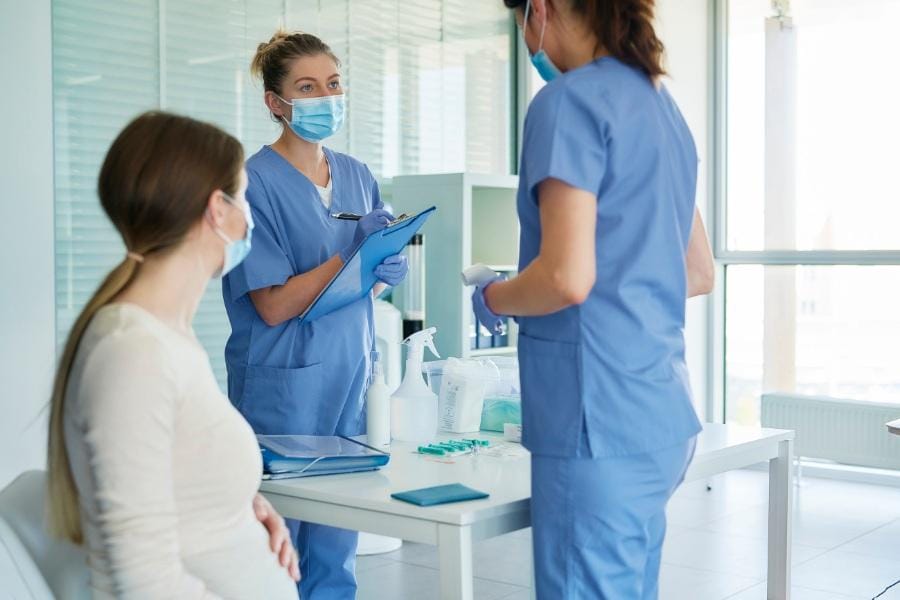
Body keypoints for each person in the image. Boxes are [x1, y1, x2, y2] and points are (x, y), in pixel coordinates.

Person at [472, 1, 716, 598]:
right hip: (658, 415)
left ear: (543, 9)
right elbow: (698, 271)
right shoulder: (663, 109)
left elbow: (564, 279)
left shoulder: (567, 102)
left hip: (595, 419)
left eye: (520, 21)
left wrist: (495, 295)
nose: (527, 39)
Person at [46, 111, 300, 598]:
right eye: (243, 197)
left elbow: (179, 475)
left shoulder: (165, 337)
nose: (250, 217)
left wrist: (238, 508)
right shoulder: (132, 352)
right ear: (216, 209)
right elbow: (142, 584)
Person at [221, 31, 407, 598]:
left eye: (333, 84)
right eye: (307, 87)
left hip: (347, 374)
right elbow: (273, 303)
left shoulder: (356, 173)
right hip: (283, 386)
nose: (326, 97)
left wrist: (381, 268)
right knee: (279, 548)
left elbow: (355, 287)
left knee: (335, 543)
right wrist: (354, 256)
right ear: (276, 103)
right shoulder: (250, 184)